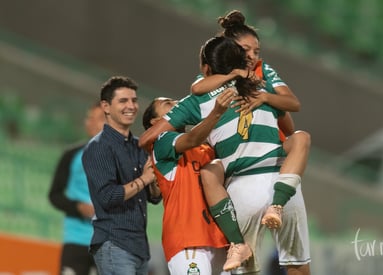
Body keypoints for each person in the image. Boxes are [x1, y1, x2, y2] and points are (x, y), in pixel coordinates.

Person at [139, 35, 309, 274]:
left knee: (211, 174)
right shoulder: (168, 142)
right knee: (298, 264)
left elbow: (196, 93)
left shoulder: (204, 133)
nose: (175, 103)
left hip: (222, 229)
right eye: (168, 104)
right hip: (191, 239)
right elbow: (290, 121)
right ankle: (274, 208)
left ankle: (239, 243)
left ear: (206, 67)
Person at [191, 10, 312, 275]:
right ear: (230, 48)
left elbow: (292, 106)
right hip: (243, 168)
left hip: (273, 158)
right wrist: (236, 76)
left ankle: (277, 204)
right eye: (247, 49)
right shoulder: (216, 78)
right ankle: (239, 235)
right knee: (211, 171)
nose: (253, 56)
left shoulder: (262, 72)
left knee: (300, 138)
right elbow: (197, 87)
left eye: (257, 50)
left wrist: (265, 98)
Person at [142, 91, 241, 274]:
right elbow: (192, 138)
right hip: (187, 239)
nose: (178, 103)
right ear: (156, 123)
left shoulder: (206, 146)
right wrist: (216, 112)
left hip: (219, 239)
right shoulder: (161, 142)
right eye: (168, 103)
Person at [82, 76, 161, 275]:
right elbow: (109, 197)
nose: (131, 106)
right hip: (114, 244)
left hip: (140, 247)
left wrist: (154, 177)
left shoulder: (140, 145)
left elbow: (154, 197)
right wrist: (144, 179)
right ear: (106, 106)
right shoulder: (98, 147)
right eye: (123, 101)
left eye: (134, 100)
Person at [48, 102, 105, 275]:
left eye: (100, 119)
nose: (92, 123)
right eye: (90, 117)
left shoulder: (123, 158)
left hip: (108, 242)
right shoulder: (71, 155)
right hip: (76, 238)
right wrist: (78, 207)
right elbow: (55, 195)